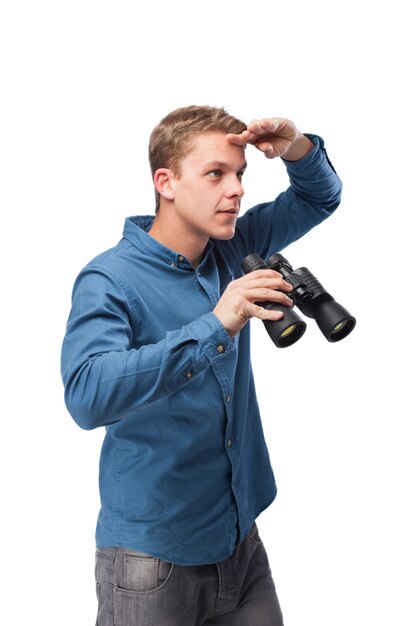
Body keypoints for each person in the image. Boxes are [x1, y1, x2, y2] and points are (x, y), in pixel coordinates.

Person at [61, 105, 342, 625]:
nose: (235, 189)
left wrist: (297, 146)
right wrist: (218, 323)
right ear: (165, 182)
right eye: (216, 173)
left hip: (239, 540)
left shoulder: (234, 248)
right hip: (152, 559)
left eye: (240, 175)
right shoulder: (109, 279)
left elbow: (319, 195)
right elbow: (86, 396)